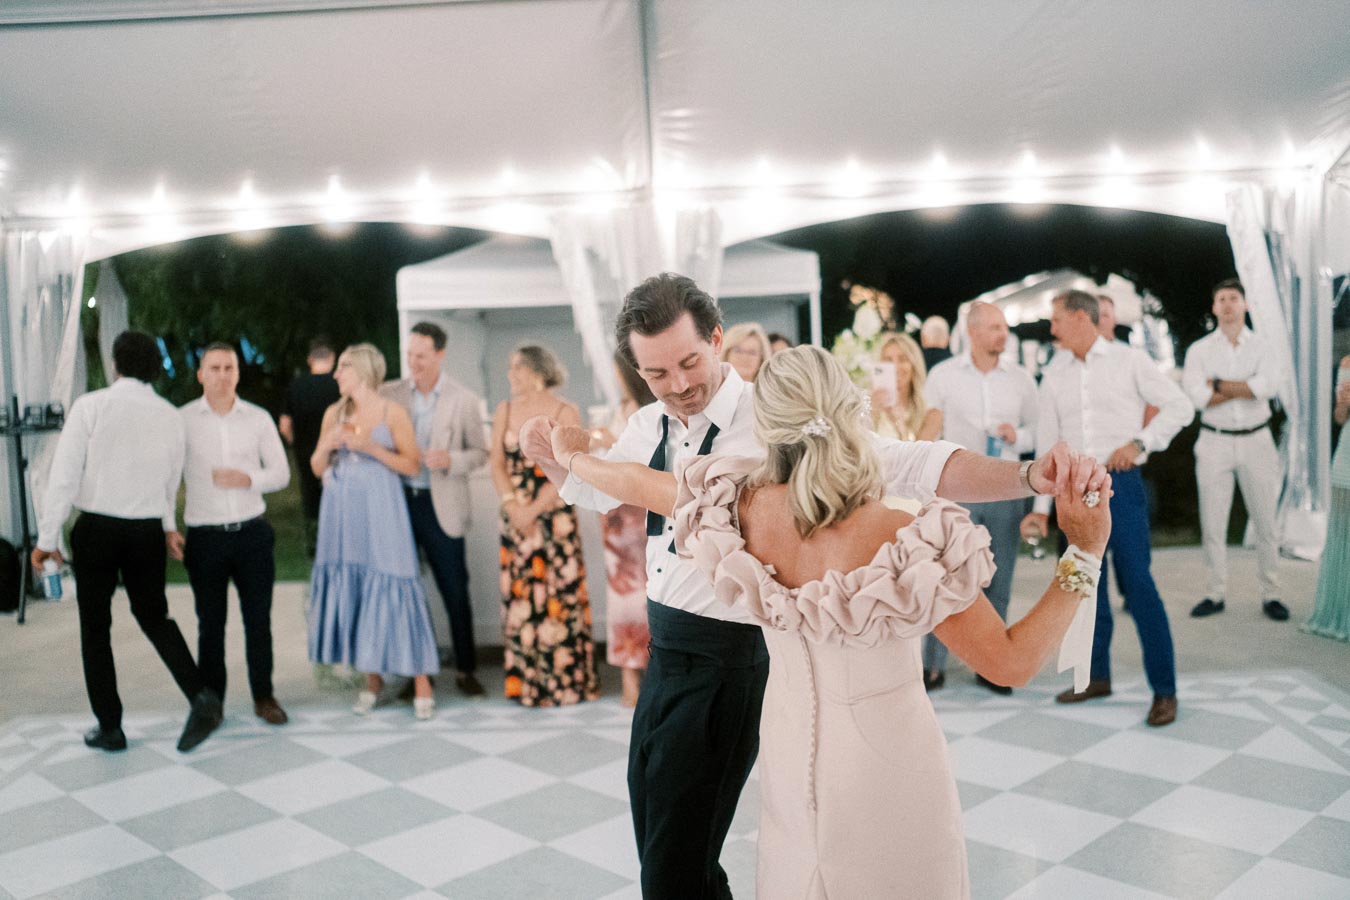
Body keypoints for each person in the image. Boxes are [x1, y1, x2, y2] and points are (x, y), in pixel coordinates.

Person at [518, 272, 1108, 900]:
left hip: (784, 738)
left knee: (693, 866)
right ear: (853, 411)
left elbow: (652, 487)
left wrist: (1026, 476)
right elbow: (1012, 661)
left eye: (689, 362)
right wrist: (1085, 551)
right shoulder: (908, 541)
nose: (678, 385)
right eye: (658, 375)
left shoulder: (735, 508)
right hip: (872, 751)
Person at [32, 330, 221, 753]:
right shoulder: (171, 415)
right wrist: (168, 524)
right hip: (145, 531)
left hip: (98, 529)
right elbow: (170, 481)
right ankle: (201, 697)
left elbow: (63, 477)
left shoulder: (92, 406)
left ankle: (111, 727)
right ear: (154, 368)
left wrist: (48, 538)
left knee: (95, 628)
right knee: (155, 617)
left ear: (115, 364)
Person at [1022, 290, 1193, 727]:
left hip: (1122, 485)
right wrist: (1041, 509)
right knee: (1081, 590)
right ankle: (1094, 677)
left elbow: (1180, 406)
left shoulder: (1128, 360)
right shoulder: (1053, 374)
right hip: (1073, 492)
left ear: (1081, 318)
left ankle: (1165, 691)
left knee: (1138, 586)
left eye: (1057, 319)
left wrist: (1141, 443)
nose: (1052, 327)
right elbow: (1047, 446)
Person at [308, 343, 439, 719]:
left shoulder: (391, 412)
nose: (336, 374)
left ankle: (421, 680)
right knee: (358, 588)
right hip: (342, 515)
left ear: (364, 371)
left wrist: (369, 447)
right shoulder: (333, 414)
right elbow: (317, 466)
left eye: (344, 367)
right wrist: (328, 445)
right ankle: (373, 679)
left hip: (382, 511)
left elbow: (412, 465)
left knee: (396, 580)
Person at [921, 302, 1038, 693]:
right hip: (957, 490)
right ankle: (933, 665)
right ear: (971, 332)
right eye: (993, 327)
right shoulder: (942, 375)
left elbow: (1040, 430)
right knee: (948, 575)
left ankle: (991, 666)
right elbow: (928, 429)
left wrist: (1017, 436)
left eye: (1004, 327)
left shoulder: (1022, 379)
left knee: (999, 578)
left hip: (1007, 488)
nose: (1002, 334)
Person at [172, 342, 291, 726]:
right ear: (201, 374)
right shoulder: (183, 420)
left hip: (252, 533)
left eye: (230, 368)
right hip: (205, 537)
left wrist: (248, 478)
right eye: (215, 368)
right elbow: (167, 478)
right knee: (210, 624)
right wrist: (166, 526)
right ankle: (213, 703)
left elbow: (281, 473)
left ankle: (264, 696)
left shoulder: (257, 419)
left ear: (238, 373)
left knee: (258, 621)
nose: (223, 375)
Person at [380, 321, 489, 695]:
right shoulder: (389, 394)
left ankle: (465, 669)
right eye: (410, 355)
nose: (414, 362)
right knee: (406, 591)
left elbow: (480, 453)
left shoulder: (464, 398)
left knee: (454, 589)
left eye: (421, 356)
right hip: (399, 505)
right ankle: (415, 673)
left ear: (440, 355)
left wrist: (451, 460)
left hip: (442, 505)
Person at [489, 345, 598, 707]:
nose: (511, 375)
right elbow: (496, 465)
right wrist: (513, 506)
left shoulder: (566, 410)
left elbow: (572, 465)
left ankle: (567, 684)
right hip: (516, 516)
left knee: (559, 595)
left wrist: (535, 509)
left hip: (555, 516)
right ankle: (528, 685)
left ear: (536, 368)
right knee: (522, 596)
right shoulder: (504, 411)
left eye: (516, 367)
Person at [1181, 279, 1286, 621]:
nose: (1227, 304)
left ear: (1245, 304)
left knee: (1266, 520)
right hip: (1214, 440)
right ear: (1214, 307)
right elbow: (1198, 398)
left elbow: (1267, 387)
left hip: (1257, 439)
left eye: (1233, 298)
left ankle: (1271, 593)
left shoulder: (1263, 345)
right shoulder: (1199, 350)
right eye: (1221, 299)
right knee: (1213, 521)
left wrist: (1220, 384)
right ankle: (1215, 592)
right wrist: (1245, 386)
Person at [593, 351, 659, 707]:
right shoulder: (622, 406)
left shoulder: (650, 408)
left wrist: (606, 443)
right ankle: (628, 675)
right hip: (616, 516)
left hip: (641, 513)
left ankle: (650, 669)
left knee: (648, 595)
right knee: (621, 598)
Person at [1303, 355, 1350, 641]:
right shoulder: (1347, 363)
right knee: (1345, 539)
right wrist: (1344, 404)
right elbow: (1339, 418)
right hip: (1348, 458)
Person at [280, 338, 340, 556]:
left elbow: (285, 425)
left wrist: (295, 442)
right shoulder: (340, 384)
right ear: (332, 358)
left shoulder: (296, 386)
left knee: (311, 502)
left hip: (306, 454)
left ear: (309, 359)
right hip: (337, 455)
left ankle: (315, 548)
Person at [871, 331, 942, 441]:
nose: (895, 367)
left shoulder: (929, 411)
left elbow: (920, 455)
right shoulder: (869, 405)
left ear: (914, 365)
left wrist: (897, 423)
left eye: (903, 359)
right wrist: (873, 410)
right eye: (888, 360)